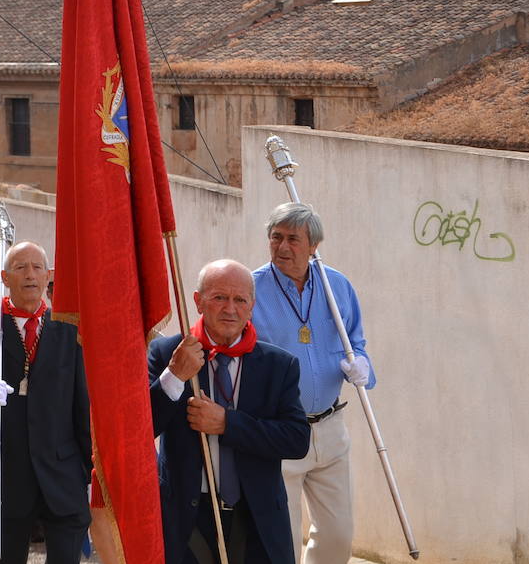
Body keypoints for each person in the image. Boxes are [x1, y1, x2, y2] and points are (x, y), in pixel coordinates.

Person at [148, 259, 311, 563]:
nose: (230, 309)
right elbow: (142, 429)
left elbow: (297, 439)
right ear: (198, 301)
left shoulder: (278, 365)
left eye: (240, 300)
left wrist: (227, 424)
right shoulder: (168, 353)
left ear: (252, 306)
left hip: (257, 519)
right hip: (186, 522)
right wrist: (174, 376)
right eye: (219, 297)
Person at [0, 242, 91, 564]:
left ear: (48, 276)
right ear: (5, 277)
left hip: (62, 473)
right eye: (20, 267)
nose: (30, 275)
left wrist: (90, 471)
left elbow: (82, 407)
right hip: (4, 475)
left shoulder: (70, 330)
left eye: (37, 267)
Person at [251, 203, 375, 564]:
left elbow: (356, 341)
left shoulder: (337, 286)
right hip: (278, 430)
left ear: (313, 246)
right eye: (276, 237)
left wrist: (362, 366)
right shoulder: (251, 288)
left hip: (330, 427)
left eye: (293, 239)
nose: (282, 247)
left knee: (338, 537)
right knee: (283, 541)